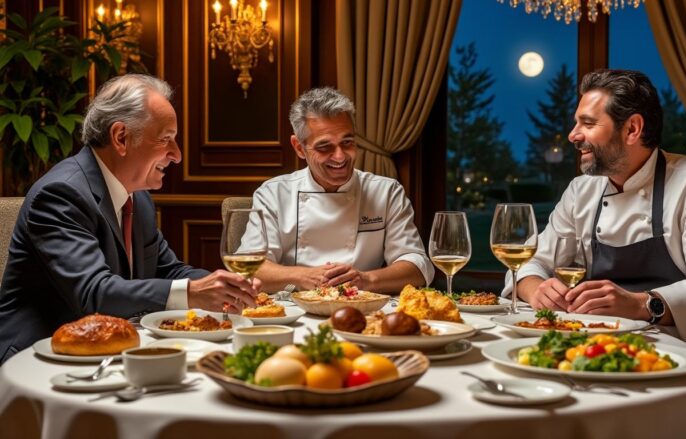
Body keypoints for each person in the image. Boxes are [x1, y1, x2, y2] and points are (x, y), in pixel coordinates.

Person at [503, 69, 686, 382]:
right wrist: (538, 290)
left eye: (587, 123)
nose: (573, 135)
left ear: (632, 128)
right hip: (601, 352)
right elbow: (532, 260)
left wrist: (641, 304)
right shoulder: (581, 190)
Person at [0, 74, 258, 364]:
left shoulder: (139, 198)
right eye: (166, 139)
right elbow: (93, 293)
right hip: (40, 359)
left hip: (109, 352)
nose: (177, 155)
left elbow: (168, 270)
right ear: (121, 137)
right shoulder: (61, 194)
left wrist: (226, 286)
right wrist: (193, 292)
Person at [238, 87, 433, 293]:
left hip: (363, 312)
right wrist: (304, 276)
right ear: (298, 147)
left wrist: (366, 279)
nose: (340, 157)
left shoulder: (386, 192)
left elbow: (417, 266)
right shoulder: (273, 194)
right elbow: (248, 268)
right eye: (324, 147)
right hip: (292, 314)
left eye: (347, 142)